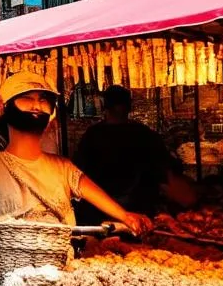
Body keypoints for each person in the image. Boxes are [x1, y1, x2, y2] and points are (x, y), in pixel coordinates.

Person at [0, 71, 153, 236]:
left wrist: (126, 217)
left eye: (43, 100)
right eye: (26, 98)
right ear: (5, 108)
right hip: (14, 272)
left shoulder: (63, 167)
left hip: (61, 268)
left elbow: (101, 199)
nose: (36, 105)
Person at [74, 85, 196, 218]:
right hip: (136, 209)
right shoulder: (144, 134)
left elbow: (78, 171)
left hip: (101, 209)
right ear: (129, 107)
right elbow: (165, 169)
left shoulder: (92, 135)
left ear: (105, 107)